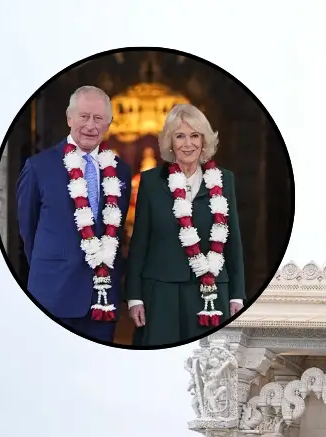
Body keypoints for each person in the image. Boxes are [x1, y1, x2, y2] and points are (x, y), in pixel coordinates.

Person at [16, 86, 133, 342]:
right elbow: (28, 231)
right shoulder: (39, 167)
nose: (90, 125)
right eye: (84, 116)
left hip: (102, 301)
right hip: (52, 296)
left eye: (98, 118)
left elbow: (117, 230)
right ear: (69, 118)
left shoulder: (121, 172)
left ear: (109, 123)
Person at [127, 103, 246, 346]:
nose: (187, 144)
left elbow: (233, 241)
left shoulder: (224, 180)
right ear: (170, 141)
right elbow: (139, 243)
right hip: (161, 293)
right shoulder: (150, 182)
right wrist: (134, 297)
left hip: (211, 293)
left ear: (204, 141)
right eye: (180, 136)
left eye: (195, 136)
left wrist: (237, 295)